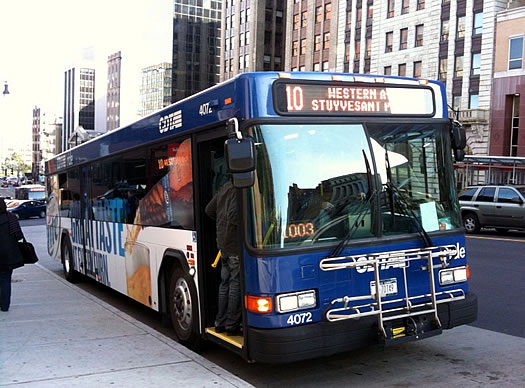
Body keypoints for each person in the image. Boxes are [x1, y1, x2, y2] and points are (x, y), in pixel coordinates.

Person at [205, 178, 241, 336]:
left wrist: (221, 223)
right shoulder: (238, 189)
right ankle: (231, 325)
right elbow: (234, 216)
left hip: (222, 245)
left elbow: (209, 210)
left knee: (224, 284)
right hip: (234, 245)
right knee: (235, 285)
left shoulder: (224, 187)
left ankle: (220, 322)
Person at [0, 199, 25, 312]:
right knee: (5, 279)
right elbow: (18, 235)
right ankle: (5, 305)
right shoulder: (11, 218)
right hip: (9, 255)